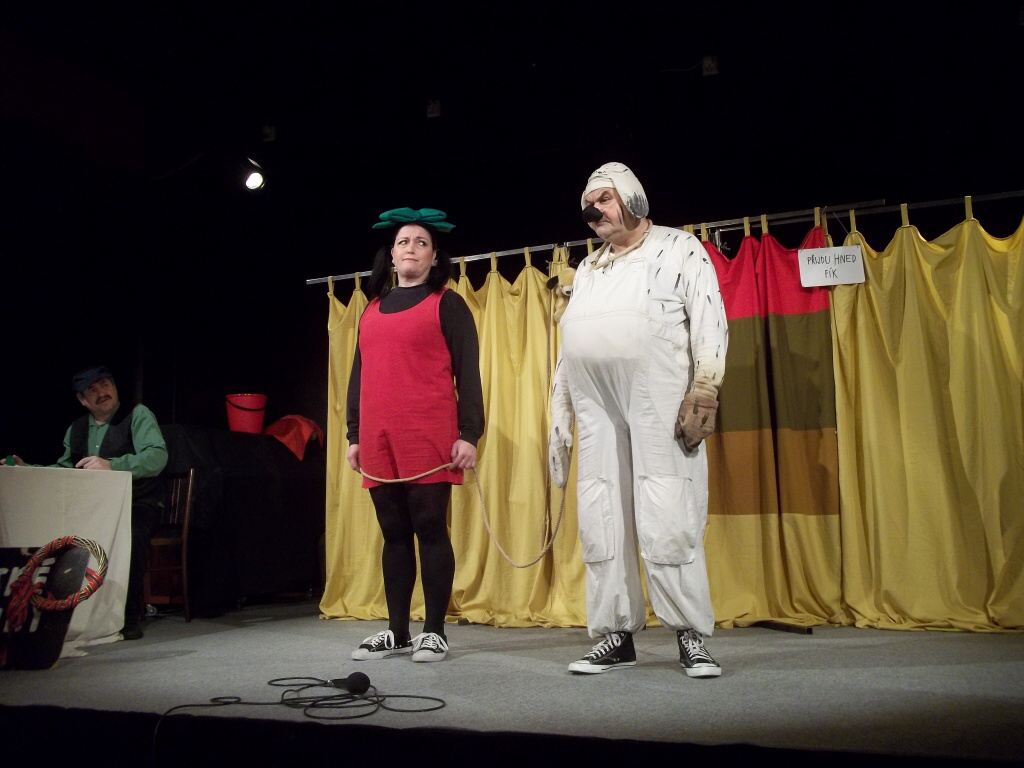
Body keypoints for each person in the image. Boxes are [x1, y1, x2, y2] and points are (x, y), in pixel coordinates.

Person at [549, 162, 728, 677]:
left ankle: (690, 633)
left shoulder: (678, 248)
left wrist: (705, 386)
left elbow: (709, 316)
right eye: (588, 204)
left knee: (667, 507)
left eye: (604, 199)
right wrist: (560, 413)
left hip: (658, 399)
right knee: (601, 511)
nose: (593, 211)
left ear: (633, 199)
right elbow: (570, 347)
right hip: (596, 407)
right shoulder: (589, 269)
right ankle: (616, 634)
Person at [346, 207, 484, 663]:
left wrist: (470, 433)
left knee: (429, 527)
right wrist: (353, 435)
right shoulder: (370, 310)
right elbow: (358, 376)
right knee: (393, 532)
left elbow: (468, 372)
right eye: (403, 242)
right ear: (390, 254)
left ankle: (434, 631)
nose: (411, 248)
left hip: (428, 433)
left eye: (421, 242)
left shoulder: (448, 304)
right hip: (378, 436)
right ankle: (397, 631)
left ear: (434, 256)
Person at [9, 365, 168, 640]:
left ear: (114, 387)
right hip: (94, 508)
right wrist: (27, 469)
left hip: (138, 501)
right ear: (83, 400)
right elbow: (65, 469)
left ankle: (129, 614)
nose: (101, 392)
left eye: (105, 385)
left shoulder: (137, 415)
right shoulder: (77, 429)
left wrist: (113, 465)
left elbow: (157, 456)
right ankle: (71, 611)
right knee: (57, 532)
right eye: (92, 390)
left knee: (131, 534)